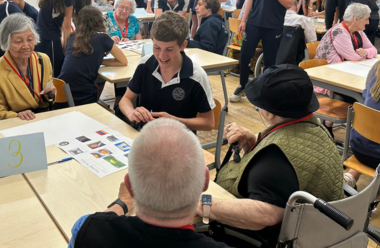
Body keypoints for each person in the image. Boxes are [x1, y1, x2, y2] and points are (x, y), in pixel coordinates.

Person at [203, 65, 343, 247]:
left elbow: (264, 215)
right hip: (326, 230)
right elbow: (294, 157)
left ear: (269, 112)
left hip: (271, 238)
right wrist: (254, 142)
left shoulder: (275, 161)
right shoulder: (316, 128)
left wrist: (202, 204)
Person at [68, 119, 230, 248]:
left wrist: (121, 204)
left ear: (130, 187)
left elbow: (94, 222)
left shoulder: (86, 230)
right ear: (205, 181)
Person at [119, 11, 215, 132]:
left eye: (169, 49)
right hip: (147, 135)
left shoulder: (197, 76)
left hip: (180, 140)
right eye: (157, 47)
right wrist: (131, 112)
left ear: (183, 45)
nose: (162, 56)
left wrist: (173, 121)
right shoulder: (145, 64)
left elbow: (209, 123)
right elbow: (125, 99)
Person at [230, 0, 297, 103]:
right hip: (253, 22)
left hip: (273, 25)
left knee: (269, 61)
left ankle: (264, 93)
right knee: (245, 56)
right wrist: (244, 20)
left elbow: (289, 3)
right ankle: (243, 85)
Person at [58, 6, 128, 106]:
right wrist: (100, 61)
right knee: (101, 81)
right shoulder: (102, 38)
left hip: (61, 90)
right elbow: (123, 61)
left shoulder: (72, 36)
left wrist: (96, 60)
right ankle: (117, 107)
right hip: (82, 94)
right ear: (100, 20)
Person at [36, 0, 92, 77]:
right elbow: (66, 25)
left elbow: (63, 14)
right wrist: (67, 48)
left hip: (41, 36)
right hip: (50, 38)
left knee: (46, 74)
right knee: (54, 75)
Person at [0, 14, 56, 120]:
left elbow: (46, 100)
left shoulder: (43, 60)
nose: (26, 46)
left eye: (30, 39)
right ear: (6, 42)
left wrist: (49, 96)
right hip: (14, 124)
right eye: (18, 41)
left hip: (41, 118)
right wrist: (16, 116)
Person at [344, 60, 380, 188]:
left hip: (358, 149)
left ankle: (352, 174)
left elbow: (366, 94)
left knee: (371, 130)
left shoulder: (376, 67)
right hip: (377, 157)